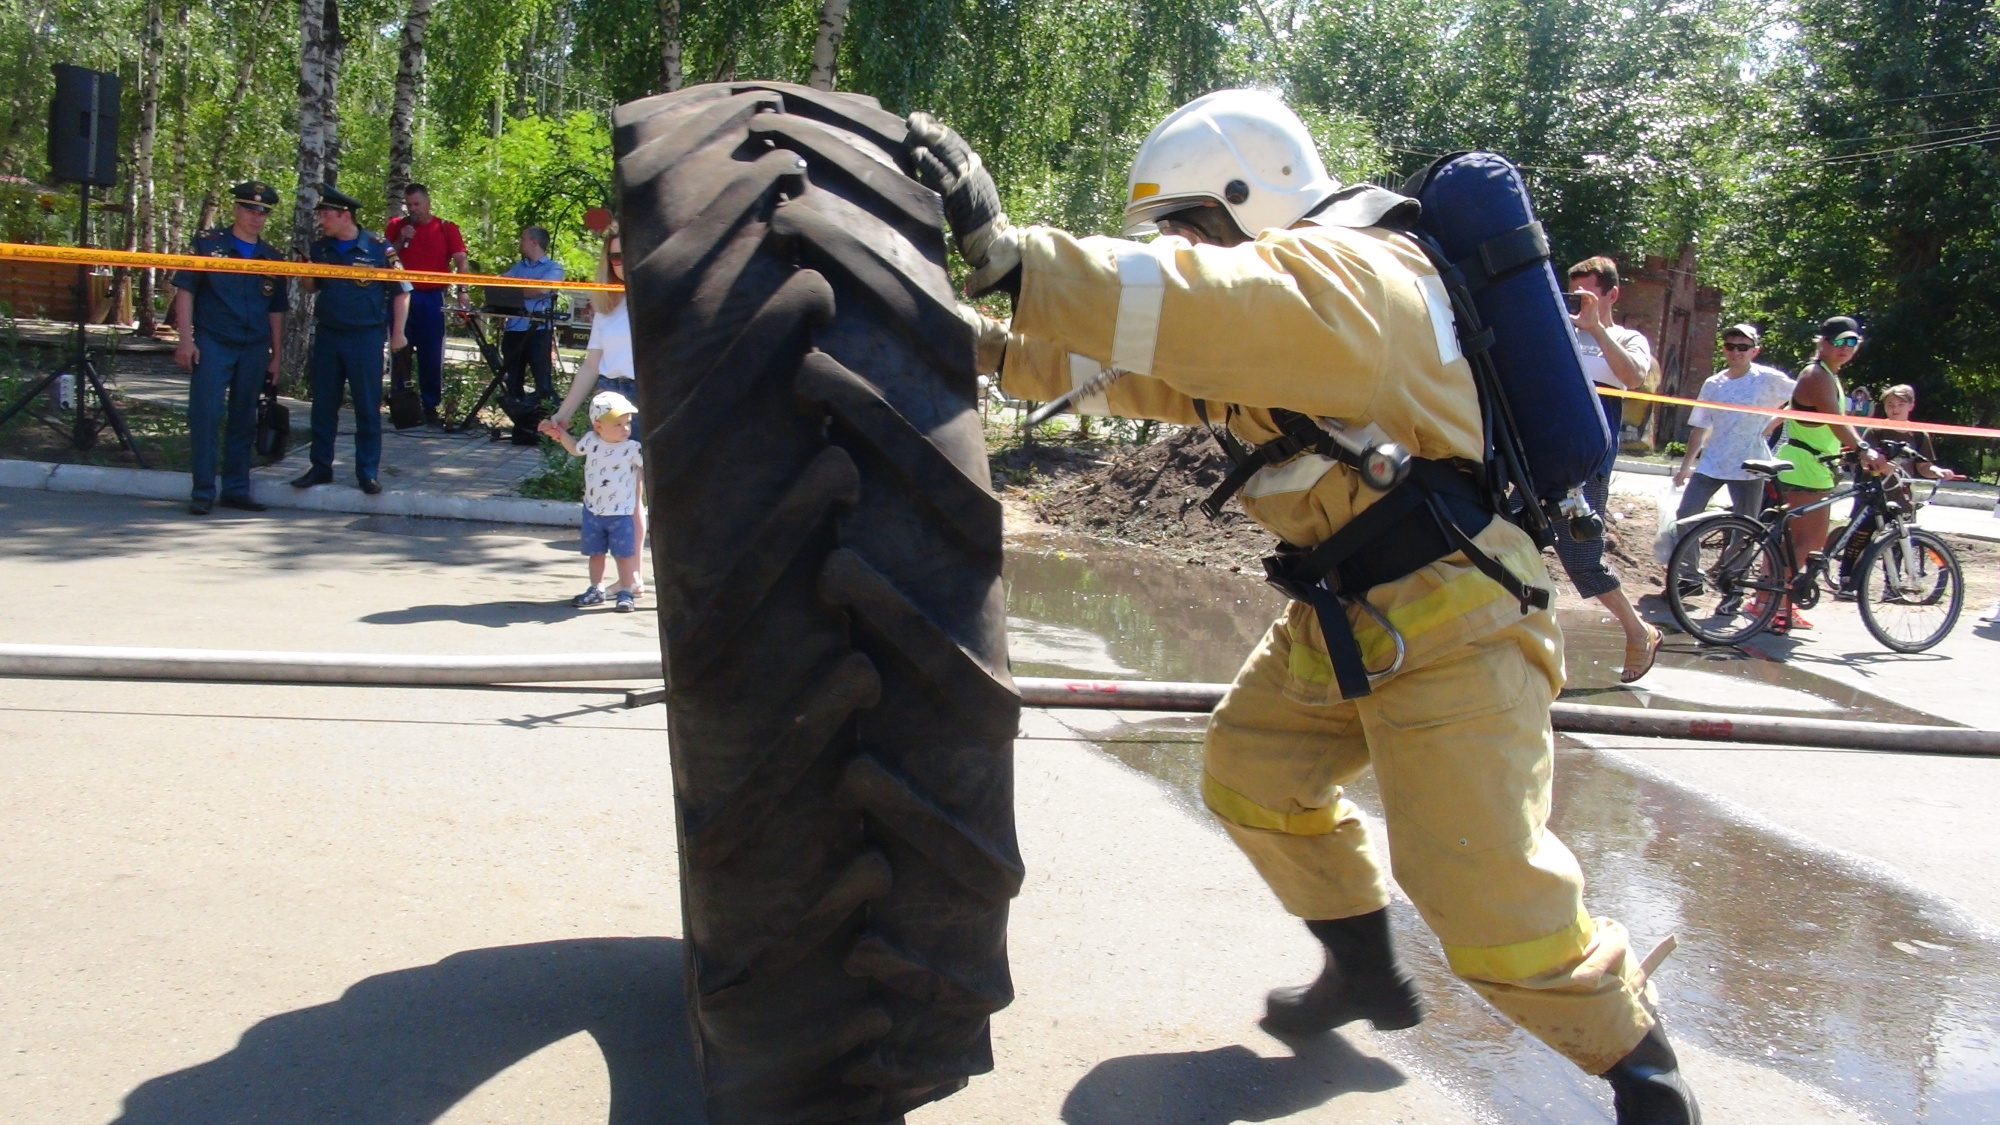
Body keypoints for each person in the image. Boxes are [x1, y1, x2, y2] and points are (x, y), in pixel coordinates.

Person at [913, 89, 1698, 1123]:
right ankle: (1362, 970)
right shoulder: (1285, 307)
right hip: (1349, 614)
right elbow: (1156, 365)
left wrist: (1016, 258)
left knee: (1485, 896)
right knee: (1252, 773)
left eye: (1189, 226)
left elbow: (1199, 307)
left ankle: (1640, 1073)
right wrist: (979, 340)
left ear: (1252, 198)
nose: (1183, 250)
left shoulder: (1356, 275)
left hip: (1457, 619)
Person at [1557, 257, 1663, 684]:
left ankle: (1640, 632)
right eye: (1573, 293)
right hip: (1540, 453)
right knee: (1505, 539)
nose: (1578, 303)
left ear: (1611, 295)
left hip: (1587, 462)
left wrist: (1595, 327)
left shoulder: (1626, 337)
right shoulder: (1558, 329)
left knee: (1581, 558)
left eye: (1587, 294)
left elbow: (1634, 378)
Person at [171, 180, 288, 515]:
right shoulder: (209, 246)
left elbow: (276, 309)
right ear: (236, 209)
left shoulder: (272, 257)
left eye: (263, 212)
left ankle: (236, 488)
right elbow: (185, 289)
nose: (256, 217)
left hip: (253, 346)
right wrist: (185, 339)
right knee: (206, 416)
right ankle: (203, 491)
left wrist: (276, 354)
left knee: (244, 419)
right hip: (213, 342)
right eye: (250, 209)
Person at [291, 184, 410, 495]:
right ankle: (320, 467)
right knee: (323, 405)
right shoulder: (321, 248)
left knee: (367, 407)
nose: (320, 219)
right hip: (329, 334)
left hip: (365, 337)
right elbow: (311, 287)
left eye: (325, 213)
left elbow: (402, 291)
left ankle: (367, 472)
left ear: (344, 215)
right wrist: (305, 271)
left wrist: (398, 332)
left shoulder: (378, 248)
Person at [1772, 316, 1888, 632]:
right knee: (1806, 540)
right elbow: (1835, 421)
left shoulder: (1829, 376)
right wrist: (1864, 449)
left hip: (1815, 465)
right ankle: (1774, 605)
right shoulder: (1817, 376)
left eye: (1851, 342)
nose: (1844, 348)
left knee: (1803, 540)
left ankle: (1773, 603)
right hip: (1804, 466)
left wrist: (1852, 450)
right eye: (1838, 342)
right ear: (1822, 342)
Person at [552, 229, 643, 596]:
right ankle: (627, 580)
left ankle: (632, 579)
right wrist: (563, 413)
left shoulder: (656, 300)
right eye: (615, 257)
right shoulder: (608, 305)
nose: (620, 263)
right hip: (610, 395)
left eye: (626, 254)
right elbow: (590, 366)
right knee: (618, 492)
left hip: (643, 397)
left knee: (634, 494)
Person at [1838, 383, 1963, 596]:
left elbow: (1923, 465)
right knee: (1860, 537)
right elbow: (1866, 460)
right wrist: (1883, 467)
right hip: (1872, 495)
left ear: (1911, 406)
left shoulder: (1919, 434)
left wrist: (1938, 471)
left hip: (1901, 496)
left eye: (1900, 404)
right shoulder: (1876, 430)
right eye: (1889, 405)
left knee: (1898, 541)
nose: (1894, 409)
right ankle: (1847, 581)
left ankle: (1892, 587)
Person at [1672, 323, 1795, 519]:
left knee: (1746, 525)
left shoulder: (1767, 378)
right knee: (1686, 515)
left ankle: (1736, 551)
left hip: (1750, 464)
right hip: (1713, 462)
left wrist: (1771, 424)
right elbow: (1700, 427)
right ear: (1724, 350)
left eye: (1743, 347)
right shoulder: (1713, 383)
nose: (1736, 352)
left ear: (1754, 351)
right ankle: (1688, 551)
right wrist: (1685, 467)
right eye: (1730, 346)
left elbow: (1801, 398)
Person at [537, 391, 643, 612]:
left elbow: (649, 466)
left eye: (627, 423)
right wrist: (557, 432)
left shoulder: (633, 449)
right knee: (596, 553)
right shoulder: (591, 442)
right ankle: (596, 588)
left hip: (621, 512)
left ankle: (626, 591)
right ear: (598, 426)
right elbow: (574, 449)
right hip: (593, 511)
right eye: (617, 424)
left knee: (624, 555)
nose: (625, 429)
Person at [384, 183, 468, 426]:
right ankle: (401, 403)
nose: (413, 210)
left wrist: (462, 290)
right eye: (409, 205)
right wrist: (401, 239)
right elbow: (385, 258)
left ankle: (431, 405)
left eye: (417, 204)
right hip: (402, 296)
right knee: (400, 351)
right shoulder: (397, 226)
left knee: (431, 354)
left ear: (428, 202)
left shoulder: (445, 228)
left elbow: (461, 259)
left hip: (431, 297)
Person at [499, 225, 565, 405]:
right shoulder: (519, 266)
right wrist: (523, 288)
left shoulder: (554, 269)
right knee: (512, 380)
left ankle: (545, 420)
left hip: (538, 332)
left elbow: (541, 289)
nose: (520, 243)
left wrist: (514, 289)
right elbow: (499, 284)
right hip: (514, 329)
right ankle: (518, 420)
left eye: (523, 239)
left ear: (534, 242)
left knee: (542, 381)